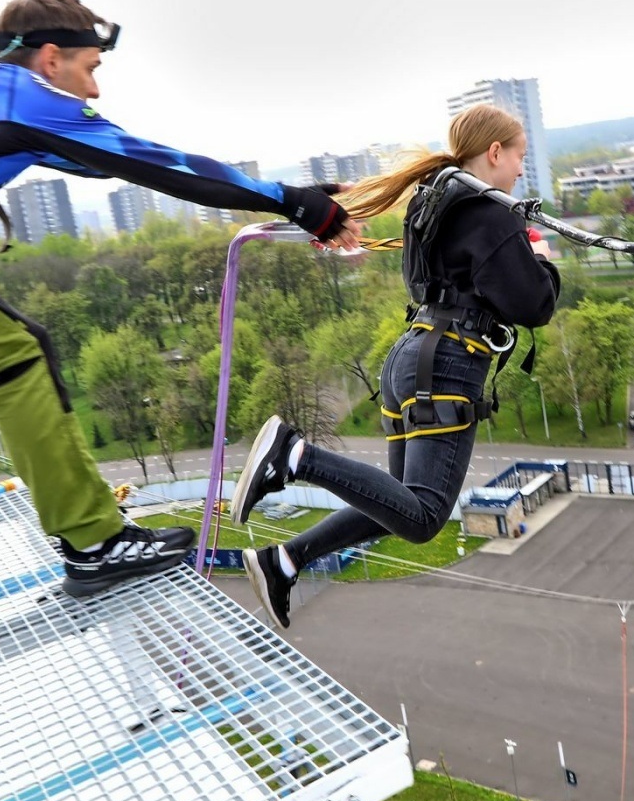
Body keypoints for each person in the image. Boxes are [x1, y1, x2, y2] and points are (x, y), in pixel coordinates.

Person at [0, 0, 358, 598]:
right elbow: (157, 165)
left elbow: (101, 159)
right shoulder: (26, 101)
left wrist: (292, 192)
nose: (93, 91)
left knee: (14, 346)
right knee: (16, 355)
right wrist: (294, 202)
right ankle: (95, 545)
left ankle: (93, 536)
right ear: (50, 58)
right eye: (90, 69)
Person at [231, 104, 559, 628]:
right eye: (519, 157)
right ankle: (294, 456)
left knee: (396, 505)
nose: (521, 170)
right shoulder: (491, 212)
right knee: (425, 516)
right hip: (447, 366)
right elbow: (533, 305)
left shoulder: (433, 202)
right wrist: (541, 259)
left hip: (413, 357)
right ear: (495, 152)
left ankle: (284, 561)